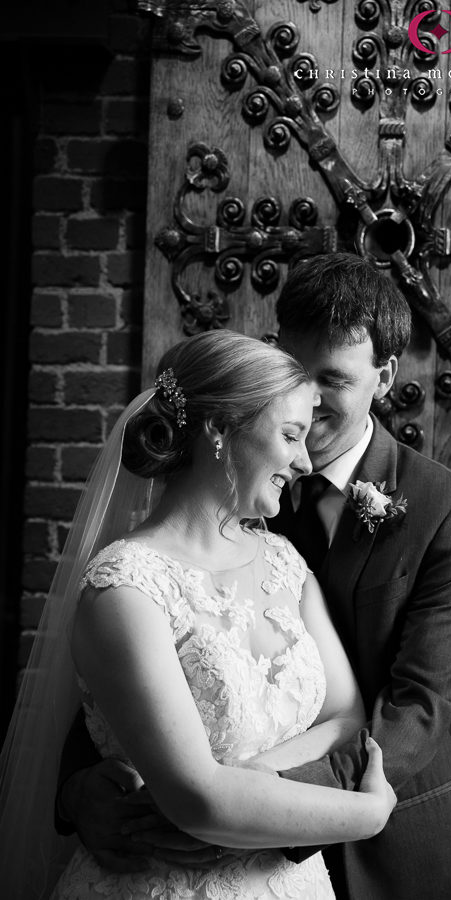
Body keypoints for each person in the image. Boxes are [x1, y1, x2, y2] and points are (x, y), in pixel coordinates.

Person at [53, 253, 451, 898]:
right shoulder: (225, 487)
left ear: (385, 378)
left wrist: (247, 802)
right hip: (176, 836)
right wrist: (79, 787)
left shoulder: (447, 510)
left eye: (333, 380)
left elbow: (419, 707)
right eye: (296, 374)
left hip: (394, 841)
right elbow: (132, 662)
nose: (310, 404)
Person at [0, 329, 397, 900]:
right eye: (290, 435)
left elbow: (347, 716)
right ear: (218, 428)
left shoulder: (284, 561)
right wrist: (369, 813)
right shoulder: (126, 588)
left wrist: (254, 779)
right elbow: (198, 799)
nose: (306, 461)